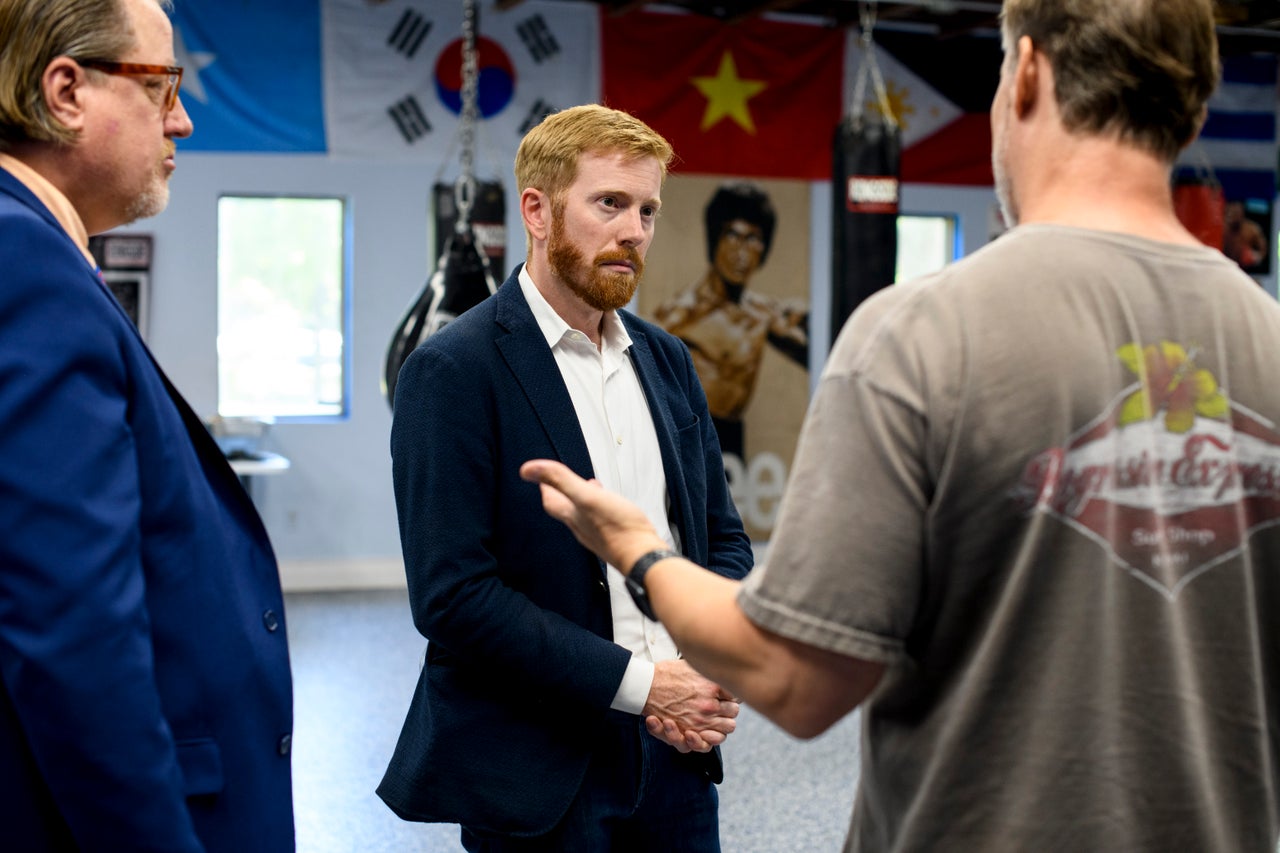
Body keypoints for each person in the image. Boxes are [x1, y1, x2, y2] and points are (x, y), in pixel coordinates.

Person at [522, 1, 1280, 849]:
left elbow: (794, 679)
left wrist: (639, 551)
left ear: (1025, 73)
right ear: (1194, 103)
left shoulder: (924, 333)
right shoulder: (1270, 342)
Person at [377, 104, 753, 851]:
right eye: (609, 203)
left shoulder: (668, 361)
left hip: (677, 756)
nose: (634, 231)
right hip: (540, 768)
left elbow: (723, 539)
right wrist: (644, 683)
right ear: (537, 211)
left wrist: (697, 665)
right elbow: (454, 596)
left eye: (647, 209)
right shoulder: (453, 371)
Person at [0, 0, 294, 849]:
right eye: (163, 86)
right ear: (66, 92)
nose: (186, 117)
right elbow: (71, 635)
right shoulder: (27, 267)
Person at [652, 182, 807, 462]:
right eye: (732, 236)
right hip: (691, 435)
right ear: (715, 240)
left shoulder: (764, 314)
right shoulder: (681, 315)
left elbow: (824, 359)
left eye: (752, 239)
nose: (741, 251)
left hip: (736, 440)